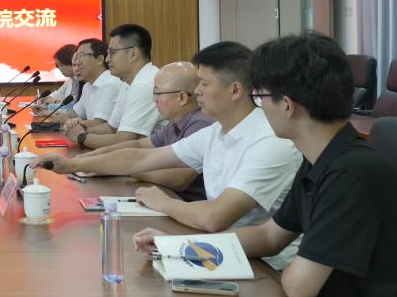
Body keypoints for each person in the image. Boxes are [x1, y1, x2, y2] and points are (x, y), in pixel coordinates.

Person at [136, 33, 397, 297]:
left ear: (287, 104)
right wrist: (180, 246)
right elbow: (269, 235)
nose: (258, 108)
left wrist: (288, 267)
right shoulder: (321, 158)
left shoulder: (350, 173)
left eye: (259, 97)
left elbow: (299, 286)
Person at [36, 41, 302, 268]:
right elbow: (141, 156)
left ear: (235, 90)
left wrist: (163, 203)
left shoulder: (269, 140)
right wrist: (69, 165)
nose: (196, 92)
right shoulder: (217, 131)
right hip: (222, 249)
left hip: (267, 267)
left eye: (204, 84)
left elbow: (215, 216)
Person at [78, 62, 211, 201]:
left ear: (182, 97)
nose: (154, 99)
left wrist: (121, 169)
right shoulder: (175, 122)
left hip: (187, 205)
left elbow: (178, 179)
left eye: (158, 93)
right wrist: (99, 155)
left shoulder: (200, 124)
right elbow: (140, 145)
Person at [66, 24, 161, 149]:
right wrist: (82, 127)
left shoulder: (144, 85)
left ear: (133, 54)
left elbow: (123, 141)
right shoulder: (127, 83)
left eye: (112, 52)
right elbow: (112, 127)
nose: (107, 59)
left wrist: (81, 137)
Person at [57, 38, 122, 128]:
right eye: (77, 57)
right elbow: (75, 113)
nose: (77, 62)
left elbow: (100, 123)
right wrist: (51, 115)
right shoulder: (87, 86)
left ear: (99, 59)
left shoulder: (111, 83)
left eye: (82, 55)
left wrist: (68, 122)